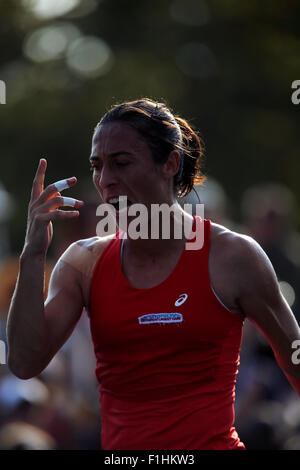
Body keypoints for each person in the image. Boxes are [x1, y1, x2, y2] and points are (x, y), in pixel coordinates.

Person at [6, 98, 300, 450]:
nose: (106, 180)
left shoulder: (233, 255)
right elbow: (24, 362)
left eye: (122, 163)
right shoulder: (82, 262)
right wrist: (32, 253)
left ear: (170, 164)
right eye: (97, 166)